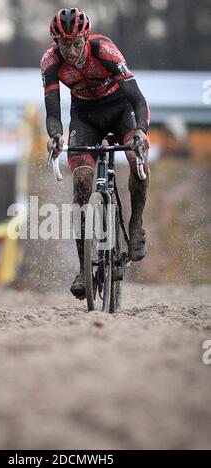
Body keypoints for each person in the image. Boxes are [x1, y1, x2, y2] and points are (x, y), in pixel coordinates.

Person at [41, 7, 150, 300]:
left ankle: (135, 224)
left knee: (136, 157)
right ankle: (83, 268)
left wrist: (140, 131)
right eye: (65, 45)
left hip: (119, 110)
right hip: (85, 118)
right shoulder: (51, 62)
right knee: (81, 185)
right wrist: (55, 136)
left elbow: (137, 98)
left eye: (77, 43)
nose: (72, 50)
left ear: (86, 37)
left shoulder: (104, 49)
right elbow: (53, 112)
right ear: (56, 44)